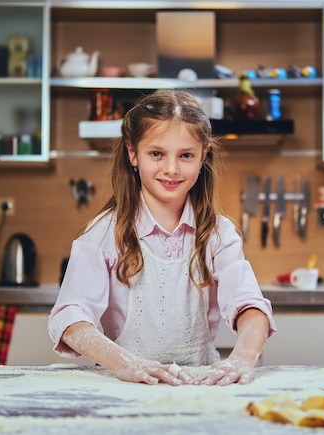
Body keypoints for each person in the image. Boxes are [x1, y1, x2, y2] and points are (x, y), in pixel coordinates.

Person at [48, 90, 276, 386]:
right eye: (156, 153)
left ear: (203, 156)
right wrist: (124, 363)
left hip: (199, 388)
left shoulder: (218, 234)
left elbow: (251, 308)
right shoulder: (104, 233)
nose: (171, 168)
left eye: (186, 155)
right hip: (123, 386)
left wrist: (241, 359)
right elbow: (70, 317)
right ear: (133, 153)